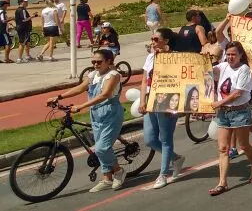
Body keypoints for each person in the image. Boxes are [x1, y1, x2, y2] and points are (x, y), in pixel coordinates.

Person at [49, 49, 126, 191]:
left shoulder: (113, 75)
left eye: (99, 62)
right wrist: (59, 97)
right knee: (99, 147)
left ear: (108, 62)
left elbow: (105, 94)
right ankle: (106, 178)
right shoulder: (93, 75)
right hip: (96, 113)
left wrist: (81, 106)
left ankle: (118, 171)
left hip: (111, 112)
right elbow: (80, 88)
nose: (95, 64)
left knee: (102, 148)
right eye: (93, 62)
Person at [209, 41, 252, 196]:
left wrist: (219, 102)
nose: (231, 57)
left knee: (244, 145)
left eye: (234, 54)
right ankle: (222, 183)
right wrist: (205, 60)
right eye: (229, 54)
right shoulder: (223, 66)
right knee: (223, 148)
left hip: (239, 112)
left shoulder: (244, 69)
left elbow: (237, 93)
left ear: (240, 55)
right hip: (223, 113)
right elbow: (206, 71)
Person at [138, 28, 186, 189]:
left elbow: (182, 81)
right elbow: (145, 80)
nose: (153, 42)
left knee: (166, 139)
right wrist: (142, 100)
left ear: (166, 41)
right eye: (151, 39)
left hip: (168, 100)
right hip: (152, 99)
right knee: (150, 139)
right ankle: (176, 158)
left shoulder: (176, 57)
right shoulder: (150, 57)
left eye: (156, 39)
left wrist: (175, 105)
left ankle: (163, 174)